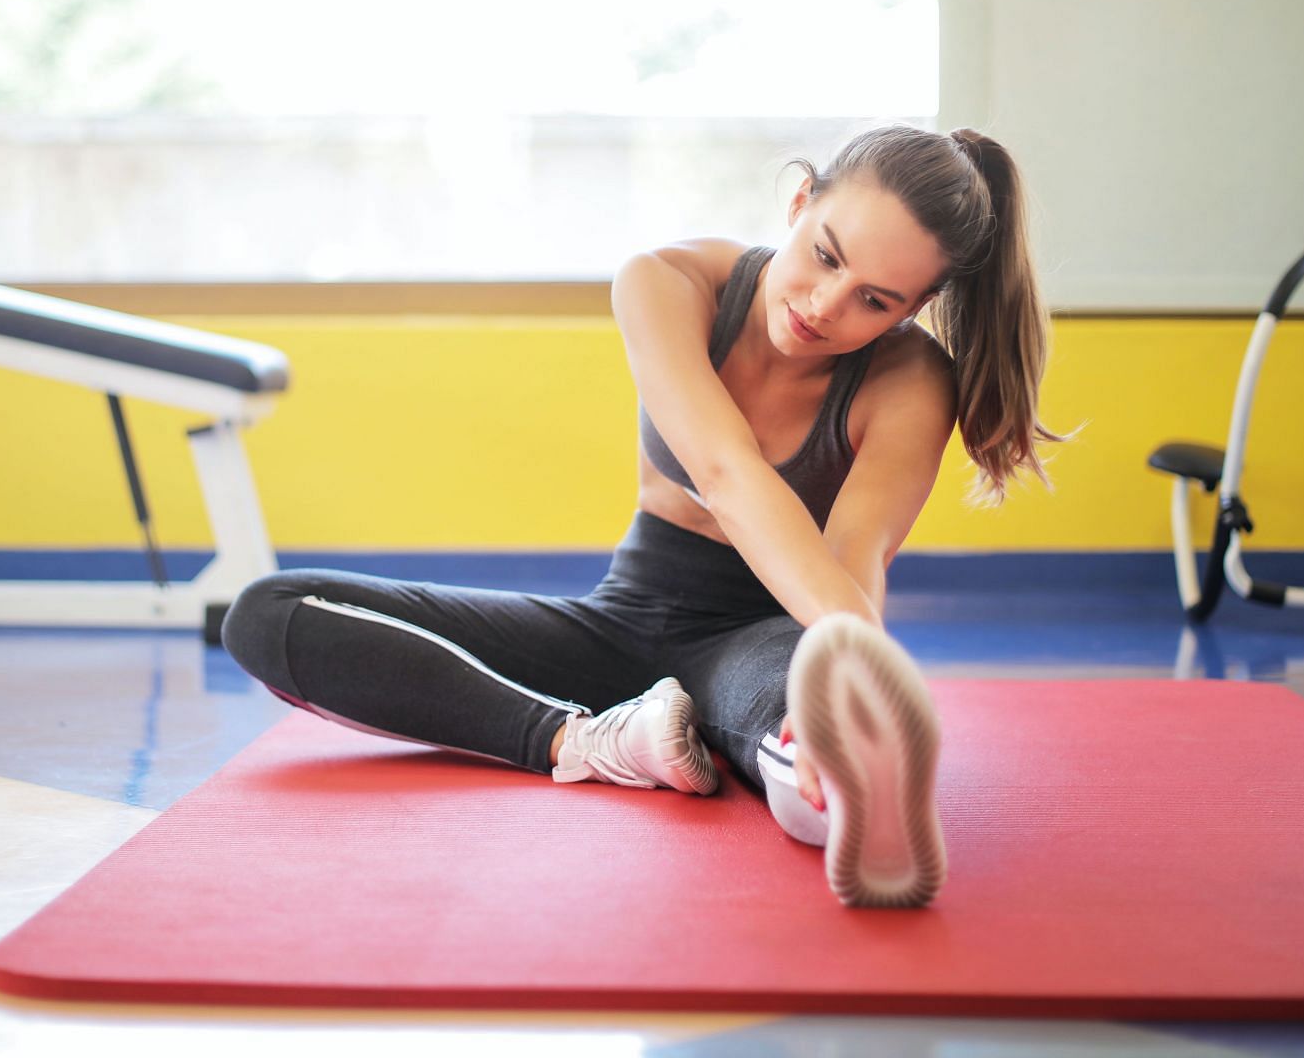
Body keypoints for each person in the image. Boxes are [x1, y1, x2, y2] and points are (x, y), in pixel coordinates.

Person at [220, 124, 1060, 908]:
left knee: (813, 745)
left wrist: (842, 678)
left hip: (766, 638)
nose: (826, 305)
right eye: (824, 256)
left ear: (912, 310)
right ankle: (587, 742)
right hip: (620, 621)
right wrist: (853, 647)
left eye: (875, 300)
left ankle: (850, 790)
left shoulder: (911, 380)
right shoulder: (667, 282)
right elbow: (725, 472)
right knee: (269, 615)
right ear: (799, 202)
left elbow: (856, 556)